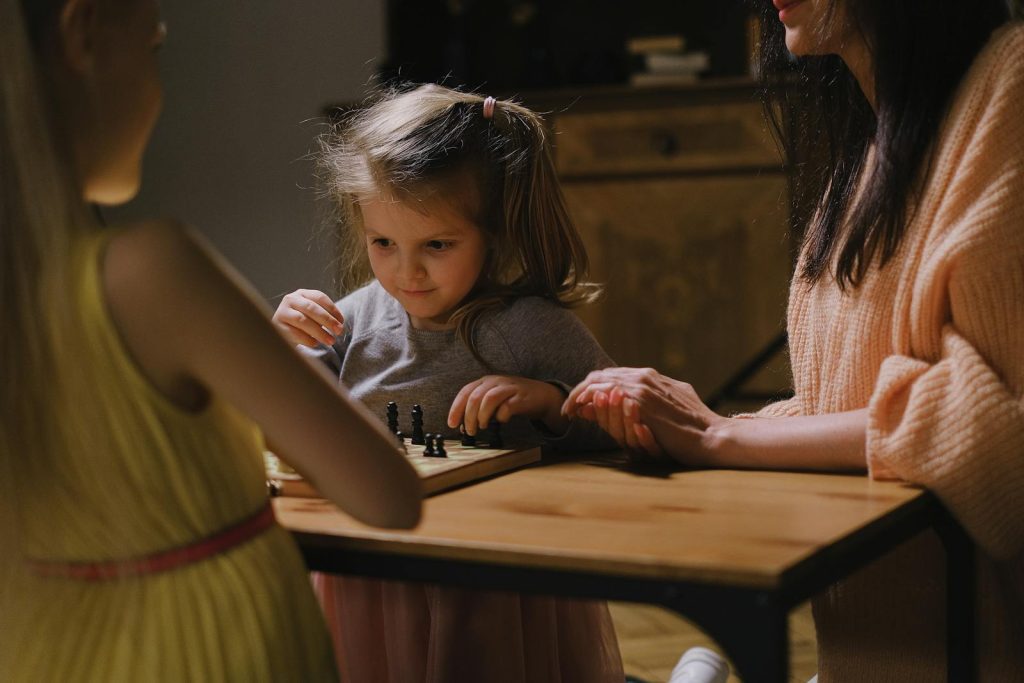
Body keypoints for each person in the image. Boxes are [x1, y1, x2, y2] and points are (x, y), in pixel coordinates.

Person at [565, 0, 1024, 680]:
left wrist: (720, 437)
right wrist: (690, 425)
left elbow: (998, 440)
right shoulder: (870, 147)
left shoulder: (1007, 85)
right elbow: (844, 412)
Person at [0, 0, 422, 679]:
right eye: (155, 48)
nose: (160, 87)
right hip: (207, 650)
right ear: (83, 37)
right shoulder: (152, 269)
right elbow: (389, 496)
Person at [272, 83, 624, 683]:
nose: (406, 271)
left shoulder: (531, 329)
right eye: (383, 243)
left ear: (496, 232)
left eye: (436, 244)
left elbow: (626, 427)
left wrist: (553, 404)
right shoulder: (352, 318)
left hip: (493, 584)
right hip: (369, 573)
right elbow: (295, 421)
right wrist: (281, 349)